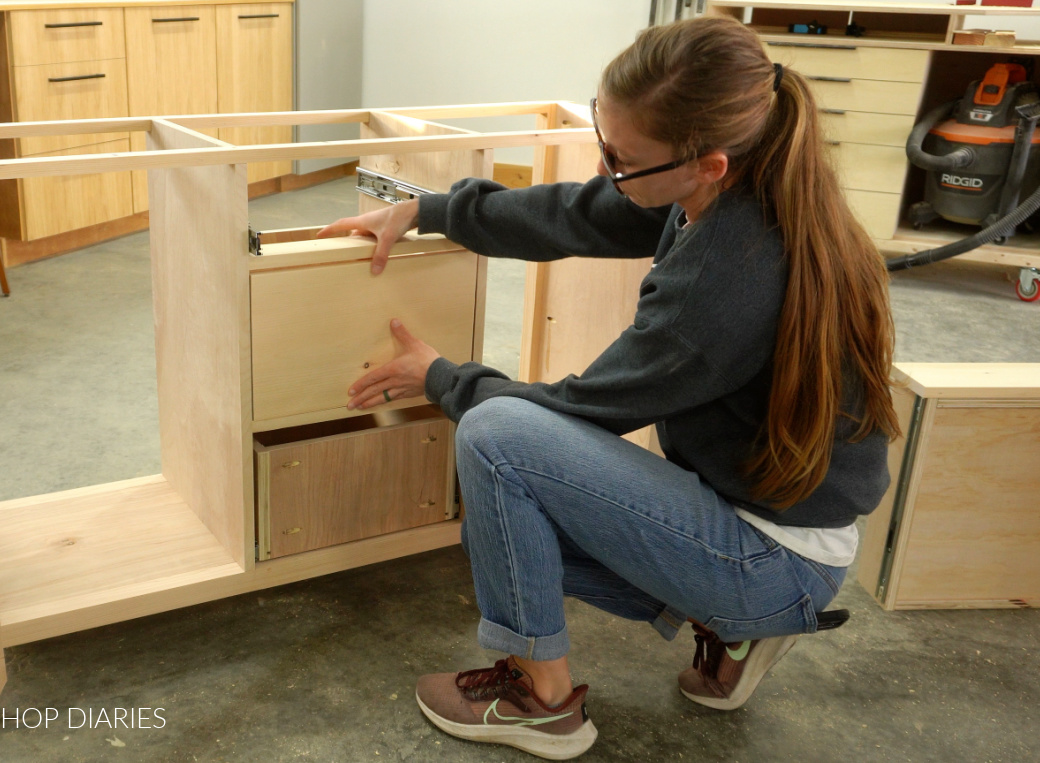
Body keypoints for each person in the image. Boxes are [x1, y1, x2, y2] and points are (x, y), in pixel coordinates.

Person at [317, 15, 899, 761]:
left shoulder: (727, 277)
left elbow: (579, 410)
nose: (606, 169)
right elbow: (579, 213)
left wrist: (440, 377)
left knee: (496, 440)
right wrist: (432, 211)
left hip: (771, 560)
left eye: (621, 160)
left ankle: (542, 700)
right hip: (768, 522)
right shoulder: (741, 189)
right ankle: (732, 627)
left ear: (708, 163)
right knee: (496, 531)